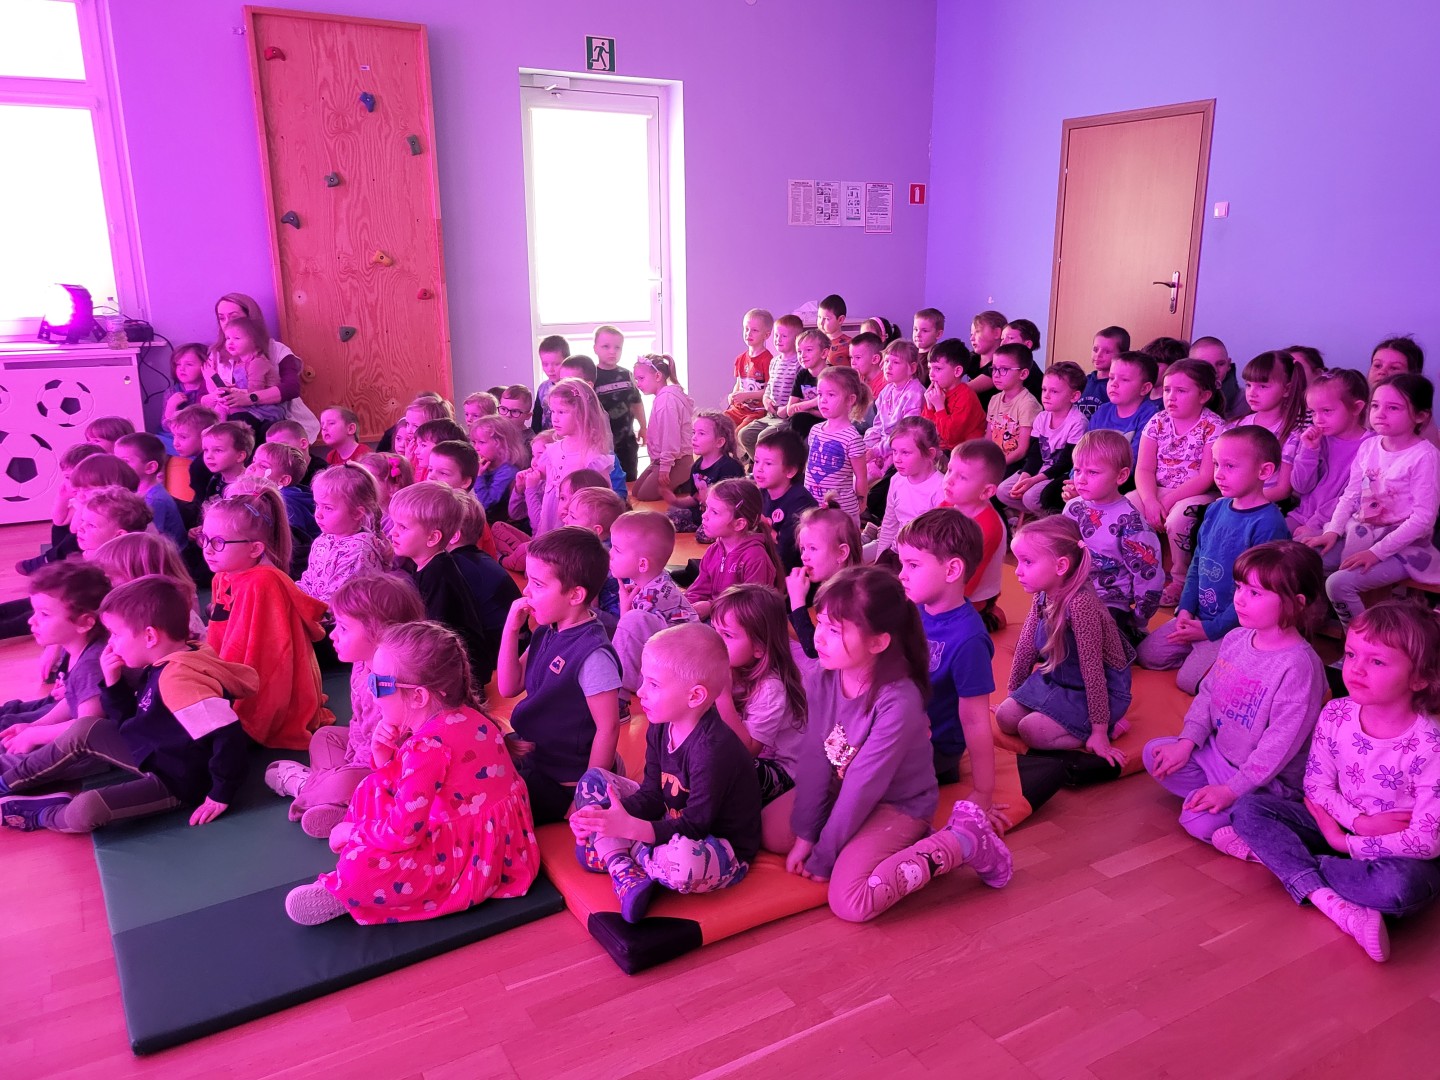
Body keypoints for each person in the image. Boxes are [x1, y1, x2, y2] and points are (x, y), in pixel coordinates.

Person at [786, 567, 1013, 922]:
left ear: (878, 642)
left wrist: (825, 853)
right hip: (844, 786)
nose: (819, 638)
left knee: (850, 901)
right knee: (778, 833)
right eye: (821, 623)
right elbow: (815, 757)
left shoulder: (898, 701)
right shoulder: (823, 677)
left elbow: (864, 783)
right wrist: (805, 834)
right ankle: (859, 838)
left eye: (834, 630)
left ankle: (963, 840)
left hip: (897, 804)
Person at [284, 621, 540, 925]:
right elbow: (411, 786)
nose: (372, 693)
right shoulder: (465, 715)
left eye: (379, 684)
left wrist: (353, 833)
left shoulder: (428, 748)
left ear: (418, 697)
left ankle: (342, 890)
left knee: (359, 867)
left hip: (470, 858)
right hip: (493, 836)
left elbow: (404, 834)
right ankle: (357, 828)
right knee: (373, 784)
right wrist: (383, 755)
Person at [1230, 602, 1440, 963]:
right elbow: (1316, 787)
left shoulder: (1431, 744)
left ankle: (1288, 861)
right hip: (1336, 823)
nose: (1355, 669)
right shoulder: (1336, 714)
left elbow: (1426, 842)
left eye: (1377, 662)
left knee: (1400, 889)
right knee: (1248, 808)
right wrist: (1356, 824)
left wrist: (1345, 843)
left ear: (1420, 678)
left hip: (1395, 852)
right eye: (1351, 654)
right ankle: (1329, 899)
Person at [1, 576, 257, 834]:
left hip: (178, 781)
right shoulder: (164, 662)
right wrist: (113, 683)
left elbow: (228, 736)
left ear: (150, 636)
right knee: (85, 729)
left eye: (115, 634)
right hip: (154, 751)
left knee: (86, 808)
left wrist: (220, 792)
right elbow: (130, 721)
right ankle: (8, 782)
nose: (110, 643)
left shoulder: (181, 681)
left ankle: (44, 814)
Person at [569, 623, 760, 922]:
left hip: (717, 845)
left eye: (654, 684)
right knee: (592, 781)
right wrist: (603, 815)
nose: (640, 692)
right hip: (669, 821)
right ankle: (626, 865)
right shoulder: (660, 726)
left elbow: (696, 826)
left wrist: (627, 829)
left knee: (682, 864)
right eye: (644, 679)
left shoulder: (713, 750)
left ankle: (620, 859)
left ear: (694, 696)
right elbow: (652, 795)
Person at [1144, 542, 1326, 852]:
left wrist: (1231, 790)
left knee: (1196, 820)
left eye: (1255, 593)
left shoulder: (1298, 668)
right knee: (1155, 754)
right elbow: (1207, 695)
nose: (1239, 599)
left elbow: (1277, 749)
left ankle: (1258, 824)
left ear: (1296, 604)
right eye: (1240, 587)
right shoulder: (1236, 638)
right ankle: (1221, 802)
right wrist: (1186, 743)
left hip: (1267, 782)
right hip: (1219, 756)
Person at [268, 573, 425, 838]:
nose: (333, 635)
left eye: (343, 628)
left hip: (389, 771)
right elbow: (358, 721)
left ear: (380, 633)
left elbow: (393, 756)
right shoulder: (362, 664)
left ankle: (307, 788)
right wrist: (352, 755)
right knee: (324, 736)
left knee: (342, 782)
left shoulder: (392, 685)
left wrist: (355, 768)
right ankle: (342, 803)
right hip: (361, 754)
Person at [1138, 427, 1290, 692]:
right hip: (1199, 614)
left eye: (1230, 466)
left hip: (1236, 626)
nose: (1218, 474)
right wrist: (1185, 609)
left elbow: (1260, 593)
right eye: (1217, 464)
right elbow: (1198, 562)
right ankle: (1205, 653)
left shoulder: (1268, 524)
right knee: (1148, 655)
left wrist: (1210, 630)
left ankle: (1235, 656)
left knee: (1189, 682)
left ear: (1264, 471)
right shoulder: (1216, 508)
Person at [500, 527, 622, 824]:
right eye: (528, 580)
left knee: (490, 809)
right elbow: (508, 686)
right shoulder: (548, 630)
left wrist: (586, 797)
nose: (526, 591)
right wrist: (511, 630)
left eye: (538, 584)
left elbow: (608, 728)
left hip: (560, 779)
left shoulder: (593, 655)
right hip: (535, 751)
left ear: (575, 595)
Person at [202, 488, 332, 749]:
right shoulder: (224, 575)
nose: (207, 549)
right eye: (204, 539)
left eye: (218, 542)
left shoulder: (263, 584)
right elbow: (220, 635)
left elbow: (268, 660)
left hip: (260, 688)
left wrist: (229, 694)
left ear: (255, 548)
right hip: (231, 676)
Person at [895, 510, 1003, 824]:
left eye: (913, 565)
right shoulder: (915, 608)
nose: (902, 575)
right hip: (903, 726)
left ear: (952, 569)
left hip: (935, 746)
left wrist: (983, 792)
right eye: (903, 564)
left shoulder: (968, 639)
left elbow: (975, 721)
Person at [997, 517, 1133, 764]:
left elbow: (1093, 671)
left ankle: (1112, 724)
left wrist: (1099, 731)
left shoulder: (1081, 604)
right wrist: (1013, 694)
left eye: (1027, 562)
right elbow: (1026, 647)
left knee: (1032, 731)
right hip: (1057, 678)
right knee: (1006, 718)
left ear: (1060, 566)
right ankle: (1060, 716)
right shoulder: (1042, 594)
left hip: (1095, 690)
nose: (1017, 570)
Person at [1309, 373, 1440, 623]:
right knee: (1306, 560)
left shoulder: (1425, 456)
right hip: (1362, 533)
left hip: (1404, 547)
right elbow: (1351, 495)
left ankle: (1362, 638)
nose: (1380, 414)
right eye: (1376, 405)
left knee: (1339, 584)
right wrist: (1333, 531)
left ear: (1421, 416)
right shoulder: (1369, 446)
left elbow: (1423, 519)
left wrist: (1376, 553)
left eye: (1393, 408)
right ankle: (1314, 628)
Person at [711, 585, 809, 850]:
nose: (716, 642)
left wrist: (723, 697)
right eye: (715, 630)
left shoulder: (770, 688)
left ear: (759, 648)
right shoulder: (735, 667)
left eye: (727, 635)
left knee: (723, 766)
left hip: (783, 772)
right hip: (749, 759)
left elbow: (748, 751)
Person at [0, 564, 110, 788]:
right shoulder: (76, 649)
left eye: (44, 614)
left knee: (6, 765)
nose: (32, 621)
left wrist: (35, 735)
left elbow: (88, 727)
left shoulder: (91, 664)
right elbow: (72, 700)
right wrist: (34, 726)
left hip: (86, 752)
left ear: (84, 623)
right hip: (70, 741)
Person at [1134, 358, 1227, 607]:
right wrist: (1150, 500)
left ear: (1204, 395)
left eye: (1181, 391)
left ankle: (1179, 579)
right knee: (1125, 507)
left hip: (1197, 492)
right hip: (1156, 490)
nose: (1171, 397)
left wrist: (1166, 501)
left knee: (1179, 519)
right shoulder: (1157, 421)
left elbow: (1206, 477)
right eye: (1167, 390)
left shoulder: (1213, 426)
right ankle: (1135, 568)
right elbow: (1143, 468)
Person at [1063, 430, 1163, 646]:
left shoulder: (1132, 524)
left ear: (1121, 476)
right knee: (1046, 637)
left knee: (1090, 645)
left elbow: (1149, 578)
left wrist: (1139, 619)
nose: (1081, 479)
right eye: (1077, 470)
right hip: (1071, 594)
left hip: (1109, 603)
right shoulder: (1072, 508)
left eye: (1092, 472)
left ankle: (1127, 636)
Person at [387, 482, 491, 684]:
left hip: (464, 673)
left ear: (433, 537)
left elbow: (435, 634)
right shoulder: (426, 564)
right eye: (394, 524)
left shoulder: (439, 575)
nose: (393, 532)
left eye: (403, 527)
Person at [610, 510, 698, 703]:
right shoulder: (656, 581)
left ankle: (617, 697)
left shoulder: (653, 598)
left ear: (642, 564)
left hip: (676, 676)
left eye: (617, 550)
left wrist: (625, 610)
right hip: (672, 663)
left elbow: (629, 632)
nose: (610, 554)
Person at [1288, 369, 1371, 569]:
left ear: (1356, 407)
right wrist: (1309, 451)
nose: (1318, 419)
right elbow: (1300, 486)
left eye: (1326, 411)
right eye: (1313, 412)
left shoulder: (1371, 446)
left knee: (1291, 559)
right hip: (1301, 515)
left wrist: (1314, 524)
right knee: (1261, 540)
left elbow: (1351, 497)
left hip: (1335, 524)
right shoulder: (1318, 439)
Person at [211, 292, 320, 439]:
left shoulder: (276, 349)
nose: (226, 323)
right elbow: (208, 397)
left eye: (233, 316)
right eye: (222, 318)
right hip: (234, 419)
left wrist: (249, 398)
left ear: (251, 320)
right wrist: (218, 396)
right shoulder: (216, 355)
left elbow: (291, 388)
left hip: (277, 419)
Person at [515, 377, 613, 535]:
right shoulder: (552, 450)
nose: (554, 418)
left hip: (573, 525)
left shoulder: (592, 457)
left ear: (581, 414)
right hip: (548, 519)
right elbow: (546, 483)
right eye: (553, 411)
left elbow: (602, 500)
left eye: (561, 412)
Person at [685, 478, 784, 620]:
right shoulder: (714, 550)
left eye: (714, 512)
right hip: (717, 617)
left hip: (741, 625)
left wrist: (711, 607)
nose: (704, 516)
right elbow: (699, 589)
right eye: (706, 508)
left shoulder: (755, 558)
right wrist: (682, 605)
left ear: (739, 524)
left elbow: (752, 608)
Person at [998, 360, 1087, 515]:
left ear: (1074, 396)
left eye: (1054, 391)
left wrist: (1033, 481)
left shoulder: (1077, 422)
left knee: (1031, 497)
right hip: (1041, 468)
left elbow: (1066, 463)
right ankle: (1039, 515)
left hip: (1060, 473)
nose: (1046, 395)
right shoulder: (1041, 417)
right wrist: (1024, 478)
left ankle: (1052, 519)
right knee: (1003, 491)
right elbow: (1035, 456)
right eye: (1044, 389)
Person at [297, 464, 392, 603]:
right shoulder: (323, 539)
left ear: (357, 513)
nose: (318, 514)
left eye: (328, 508)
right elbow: (308, 581)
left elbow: (334, 601)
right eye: (317, 505)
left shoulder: (358, 551)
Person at [940, 440, 1007, 625]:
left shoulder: (987, 528)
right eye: (949, 470)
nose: (949, 480)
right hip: (946, 578)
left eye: (962, 477)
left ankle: (989, 616)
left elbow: (969, 583)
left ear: (986, 491)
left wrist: (935, 603)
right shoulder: (948, 504)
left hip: (972, 597)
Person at [785, 500, 862, 658]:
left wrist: (797, 600)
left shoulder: (847, 595)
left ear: (842, 553)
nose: (804, 556)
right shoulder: (831, 585)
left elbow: (814, 649)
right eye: (803, 548)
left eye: (813, 548)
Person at [864, 416, 945, 563]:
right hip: (896, 553)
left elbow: (939, 542)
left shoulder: (940, 489)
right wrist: (879, 561)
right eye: (894, 451)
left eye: (905, 452)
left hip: (922, 561)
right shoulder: (896, 480)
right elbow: (890, 524)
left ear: (930, 453)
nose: (897, 459)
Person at [1233, 350, 1309, 502]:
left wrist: (1243, 501)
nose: (1252, 392)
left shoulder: (1292, 434)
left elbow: (1282, 490)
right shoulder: (1236, 427)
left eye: (1262, 386)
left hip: (1268, 504)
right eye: (1248, 385)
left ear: (1286, 389)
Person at [804, 366, 871, 521]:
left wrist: (861, 502)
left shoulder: (852, 438)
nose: (823, 400)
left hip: (842, 512)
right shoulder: (815, 430)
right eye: (820, 394)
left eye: (831, 394)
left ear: (850, 400)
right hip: (813, 506)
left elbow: (861, 476)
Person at [242, 442, 318, 573]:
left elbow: (293, 548)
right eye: (254, 461)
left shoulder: (286, 503)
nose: (252, 467)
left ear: (283, 480)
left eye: (263, 466)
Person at [202, 316, 284, 439]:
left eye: (237, 338)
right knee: (222, 405)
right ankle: (217, 432)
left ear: (254, 341)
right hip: (247, 404)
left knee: (230, 412)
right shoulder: (238, 363)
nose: (230, 342)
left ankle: (218, 433)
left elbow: (255, 391)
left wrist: (234, 391)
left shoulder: (257, 362)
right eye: (228, 338)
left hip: (264, 409)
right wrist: (225, 386)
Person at [664, 409, 743, 536]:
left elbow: (733, 506)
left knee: (703, 535)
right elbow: (694, 498)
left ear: (719, 442)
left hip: (723, 518)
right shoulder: (697, 465)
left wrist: (707, 499)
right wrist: (676, 501)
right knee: (666, 519)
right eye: (694, 432)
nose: (694, 438)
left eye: (701, 433)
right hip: (702, 513)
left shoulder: (729, 467)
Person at [739, 314, 803, 460]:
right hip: (770, 415)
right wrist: (766, 400)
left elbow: (800, 394)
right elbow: (769, 387)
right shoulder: (774, 362)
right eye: (776, 335)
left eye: (784, 336)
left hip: (787, 417)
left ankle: (772, 466)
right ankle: (760, 464)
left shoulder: (799, 364)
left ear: (796, 339)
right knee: (745, 435)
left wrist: (786, 409)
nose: (778, 339)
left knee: (764, 438)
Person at [752, 427, 815, 572]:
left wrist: (765, 528)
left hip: (791, 573)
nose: (759, 469)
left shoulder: (801, 503)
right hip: (766, 564)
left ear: (790, 471)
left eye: (768, 463)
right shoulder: (761, 493)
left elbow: (787, 553)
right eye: (756, 461)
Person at [633, 353, 695, 502]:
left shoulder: (666, 401)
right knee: (636, 491)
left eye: (641, 378)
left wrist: (665, 467)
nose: (638, 384)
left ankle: (685, 480)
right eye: (636, 380)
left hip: (677, 461)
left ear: (658, 376)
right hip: (661, 460)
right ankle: (680, 484)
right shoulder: (662, 398)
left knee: (644, 495)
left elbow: (670, 437)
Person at [865, 339, 925, 487]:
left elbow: (906, 434)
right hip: (882, 446)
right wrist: (868, 445)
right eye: (886, 361)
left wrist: (877, 451)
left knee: (864, 482)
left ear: (912, 368)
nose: (888, 366)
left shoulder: (914, 394)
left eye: (896, 362)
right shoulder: (887, 390)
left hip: (902, 448)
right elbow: (878, 426)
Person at [1086, 351, 1161, 472]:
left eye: (1124, 380)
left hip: (1124, 477)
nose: (1114, 384)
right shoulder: (1102, 412)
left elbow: (1134, 461)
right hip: (1092, 473)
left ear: (1144, 388)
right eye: (1111, 378)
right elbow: (1085, 450)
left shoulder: (1151, 417)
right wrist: (1076, 476)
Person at [113, 432, 187, 552]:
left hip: (171, 556)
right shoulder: (138, 491)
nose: (118, 467)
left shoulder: (153, 501)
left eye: (125, 461)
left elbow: (149, 541)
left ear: (150, 467)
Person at [593, 325, 643, 481]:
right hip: (602, 445)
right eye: (606, 346)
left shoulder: (627, 375)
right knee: (606, 482)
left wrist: (644, 426)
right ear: (595, 348)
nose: (612, 351)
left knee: (629, 480)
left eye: (617, 347)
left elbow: (636, 402)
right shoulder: (592, 376)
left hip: (627, 442)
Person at [985, 343, 1041, 474]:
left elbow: (1022, 450)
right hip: (996, 460)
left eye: (1004, 369)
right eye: (994, 368)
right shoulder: (994, 400)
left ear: (1023, 374)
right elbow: (988, 438)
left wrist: (997, 465)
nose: (996, 375)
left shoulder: (1028, 404)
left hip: (1015, 464)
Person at [921, 339, 985, 452]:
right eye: (930, 368)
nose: (931, 374)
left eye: (938, 368)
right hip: (942, 450)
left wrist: (939, 407)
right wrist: (930, 407)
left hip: (966, 452)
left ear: (957, 371)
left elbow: (950, 437)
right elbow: (925, 432)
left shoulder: (966, 396)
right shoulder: (936, 393)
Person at [469, 415, 528, 526]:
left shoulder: (508, 472)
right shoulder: (484, 465)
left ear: (501, 444)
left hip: (496, 525)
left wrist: (479, 476)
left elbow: (485, 504)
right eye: (474, 442)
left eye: (481, 442)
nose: (476, 447)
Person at [724, 308, 774, 430]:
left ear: (766, 335)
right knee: (718, 425)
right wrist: (733, 395)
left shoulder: (768, 360)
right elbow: (738, 384)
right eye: (746, 329)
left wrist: (746, 395)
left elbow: (769, 392)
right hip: (738, 409)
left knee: (739, 432)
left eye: (754, 330)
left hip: (757, 412)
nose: (748, 333)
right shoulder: (740, 358)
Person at [784, 327, 831, 441]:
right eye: (799, 351)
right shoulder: (802, 375)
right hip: (804, 420)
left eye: (808, 350)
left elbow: (831, 414)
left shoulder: (832, 375)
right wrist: (814, 403)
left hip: (826, 423)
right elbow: (790, 410)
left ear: (824, 353)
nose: (802, 355)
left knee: (799, 419)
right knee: (797, 419)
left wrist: (806, 407)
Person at [1189, 336, 1248, 421]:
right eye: (1205, 365)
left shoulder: (1245, 400)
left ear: (1228, 364)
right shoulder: (1175, 393)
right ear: (1189, 365)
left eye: (1220, 364)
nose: (1214, 370)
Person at [161, 343, 208, 443]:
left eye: (189, 364)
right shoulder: (172, 392)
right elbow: (166, 427)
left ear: (206, 366)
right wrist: (171, 406)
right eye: (178, 364)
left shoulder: (209, 390)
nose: (181, 368)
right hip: (174, 437)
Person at [1078, 326, 1129, 420]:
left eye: (1107, 352)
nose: (1098, 355)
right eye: (1095, 349)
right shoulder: (1082, 381)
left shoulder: (1117, 386)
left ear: (1122, 355)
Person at [963, 309, 1008, 408]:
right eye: (971, 334)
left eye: (977, 332)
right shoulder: (972, 358)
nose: (972, 338)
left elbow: (966, 389)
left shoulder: (1003, 364)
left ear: (997, 333)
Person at [532, 334, 570, 434]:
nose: (550, 369)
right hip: (546, 439)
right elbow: (536, 419)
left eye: (556, 364)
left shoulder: (572, 388)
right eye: (545, 364)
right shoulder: (542, 388)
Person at [816, 294, 851, 368]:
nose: (821, 322)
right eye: (819, 317)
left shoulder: (850, 344)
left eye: (827, 319)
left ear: (840, 319)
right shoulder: (814, 341)